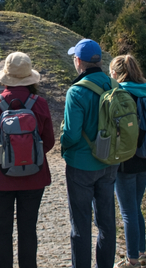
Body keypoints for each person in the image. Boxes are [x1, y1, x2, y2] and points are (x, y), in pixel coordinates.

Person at [0, 51, 55, 268]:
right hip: (34, 176)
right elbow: (48, 141)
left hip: (0, 179)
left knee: (2, 229)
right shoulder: (39, 104)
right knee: (28, 229)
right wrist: (30, 158)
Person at [61, 39, 118, 268]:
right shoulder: (114, 85)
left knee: (81, 225)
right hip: (109, 163)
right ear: (99, 60)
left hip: (81, 165)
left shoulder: (76, 91)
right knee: (106, 223)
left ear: (78, 61)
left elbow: (72, 135)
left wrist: (62, 145)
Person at [109, 55, 146, 268]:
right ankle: (141, 254)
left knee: (128, 211)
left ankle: (132, 259)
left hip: (126, 159)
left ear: (116, 73)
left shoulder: (120, 94)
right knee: (135, 207)